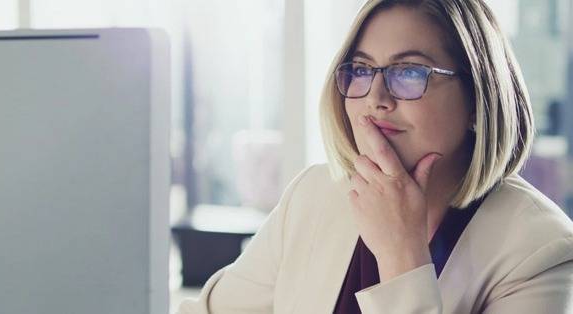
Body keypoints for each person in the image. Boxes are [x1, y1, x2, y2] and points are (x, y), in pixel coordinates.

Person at [177, 0, 573, 313]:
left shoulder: (539, 250)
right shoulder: (313, 196)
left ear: (476, 100)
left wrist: (403, 258)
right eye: (362, 70)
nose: (376, 99)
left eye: (410, 72)